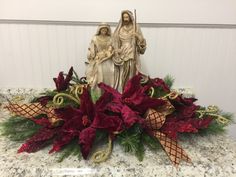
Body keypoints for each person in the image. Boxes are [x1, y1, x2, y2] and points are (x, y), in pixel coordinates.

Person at [113, 10, 147, 92]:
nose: (125, 19)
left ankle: (131, 91)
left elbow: (142, 43)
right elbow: (115, 41)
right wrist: (117, 49)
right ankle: (123, 90)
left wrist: (137, 36)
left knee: (132, 70)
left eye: (127, 17)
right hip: (123, 52)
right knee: (123, 72)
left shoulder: (135, 27)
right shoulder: (120, 28)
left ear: (130, 17)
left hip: (132, 52)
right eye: (124, 17)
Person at [86, 23, 114, 94]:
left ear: (107, 30)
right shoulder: (95, 38)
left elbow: (111, 48)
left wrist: (107, 53)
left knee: (111, 71)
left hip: (108, 58)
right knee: (99, 71)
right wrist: (94, 55)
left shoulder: (110, 38)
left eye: (105, 29)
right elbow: (92, 49)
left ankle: (109, 91)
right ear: (100, 29)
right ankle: (98, 92)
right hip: (98, 58)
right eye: (102, 28)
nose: (104, 30)